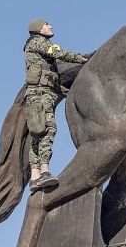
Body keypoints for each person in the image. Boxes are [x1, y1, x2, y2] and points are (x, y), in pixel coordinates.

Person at [23, 18, 88, 192]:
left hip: (43, 93)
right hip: (40, 94)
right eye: (46, 24)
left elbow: (51, 77)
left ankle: (35, 177)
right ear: (38, 29)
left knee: (40, 132)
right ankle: (44, 171)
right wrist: (81, 60)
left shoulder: (39, 49)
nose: (50, 26)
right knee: (47, 129)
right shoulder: (38, 42)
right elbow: (58, 53)